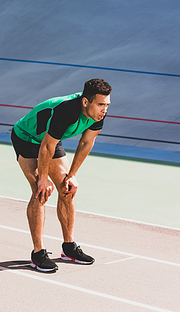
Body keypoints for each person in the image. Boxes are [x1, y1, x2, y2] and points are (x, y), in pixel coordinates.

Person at [11, 78, 112, 272]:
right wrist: (42, 179)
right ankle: (38, 254)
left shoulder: (99, 115)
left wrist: (72, 175)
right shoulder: (67, 111)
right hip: (27, 138)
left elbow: (86, 143)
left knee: (67, 189)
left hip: (51, 139)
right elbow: (46, 146)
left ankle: (69, 247)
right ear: (85, 102)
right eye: (100, 104)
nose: (104, 110)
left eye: (107, 105)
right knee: (41, 192)